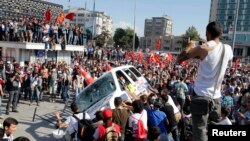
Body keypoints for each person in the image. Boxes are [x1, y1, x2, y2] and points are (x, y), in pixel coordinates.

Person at [177, 21, 233, 141]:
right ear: (221, 33)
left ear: (207, 33)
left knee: (200, 133)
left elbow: (179, 59)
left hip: (201, 97)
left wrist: (190, 46)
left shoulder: (202, 48)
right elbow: (216, 53)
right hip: (216, 98)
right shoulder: (228, 49)